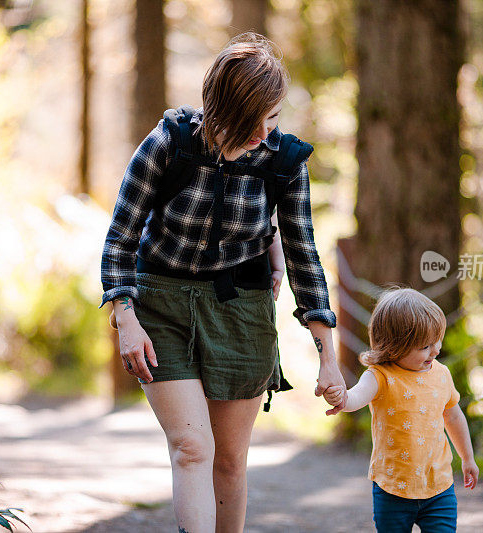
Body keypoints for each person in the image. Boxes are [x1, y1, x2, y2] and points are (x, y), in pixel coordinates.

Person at [99, 33, 346, 533]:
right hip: (160, 307)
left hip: (241, 312)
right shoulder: (169, 144)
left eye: (272, 118)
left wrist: (329, 357)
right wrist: (124, 317)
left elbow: (303, 257)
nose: (262, 132)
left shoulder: (284, 163)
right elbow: (121, 238)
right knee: (192, 446)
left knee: (229, 461)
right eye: (250, 118)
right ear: (218, 107)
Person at [324, 288, 478, 533]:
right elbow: (356, 397)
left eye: (437, 339)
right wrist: (342, 398)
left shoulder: (441, 374)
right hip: (392, 487)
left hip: (438, 486)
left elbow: (453, 415)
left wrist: (467, 457)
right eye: (425, 346)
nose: (436, 350)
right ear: (394, 346)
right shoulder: (381, 376)